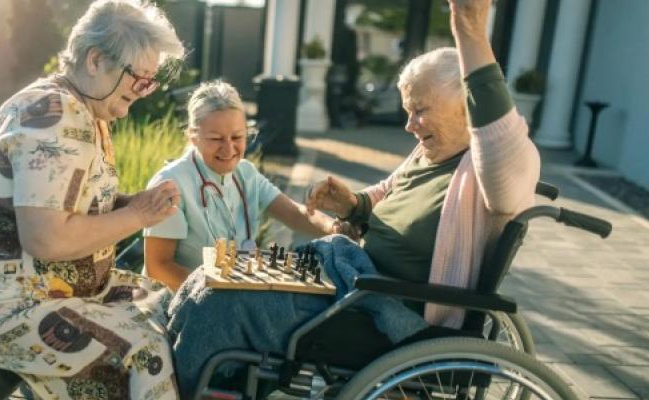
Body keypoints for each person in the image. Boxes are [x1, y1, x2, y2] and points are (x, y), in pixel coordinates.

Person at [167, 0, 541, 397]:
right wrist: (353, 205)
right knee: (208, 278)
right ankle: (171, 375)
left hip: (381, 312)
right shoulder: (430, 152)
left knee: (220, 302)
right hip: (350, 280)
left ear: (468, 106)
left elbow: (499, 136)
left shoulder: (492, 173)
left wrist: (470, 29)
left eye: (419, 110)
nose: (408, 125)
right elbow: (384, 195)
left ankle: (177, 387)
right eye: (407, 111)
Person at [0, 1, 185, 399]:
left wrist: (132, 204)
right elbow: (47, 238)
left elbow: (69, 203)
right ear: (95, 60)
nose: (143, 92)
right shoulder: (55, 115)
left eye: (150, 83)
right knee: (145, 351)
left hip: (46, 290)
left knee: (165, 305)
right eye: (139, 79)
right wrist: (137, 214)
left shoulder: (83, 109)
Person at [143, 80, 341, 291]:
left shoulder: (246, 173)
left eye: (237, 137)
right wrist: (213, 290)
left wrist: (335, 228)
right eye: (216, 139)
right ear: (193, 136)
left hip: (230, 294)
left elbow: (294, 214)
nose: (229, 150)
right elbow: (158, 267)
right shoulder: (170, 183)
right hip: (176, 298)